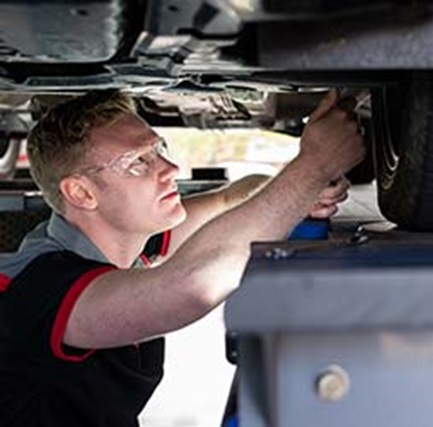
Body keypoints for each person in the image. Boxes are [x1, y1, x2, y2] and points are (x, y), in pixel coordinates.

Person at [0, 89, 365, 426]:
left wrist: (302, 192)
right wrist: (313, 166)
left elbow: (230, 199)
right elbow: (188, 286)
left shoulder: (125, 239)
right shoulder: (38, 288)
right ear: (82, 193)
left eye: (159, 150)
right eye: (138, 163)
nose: (170, 169)